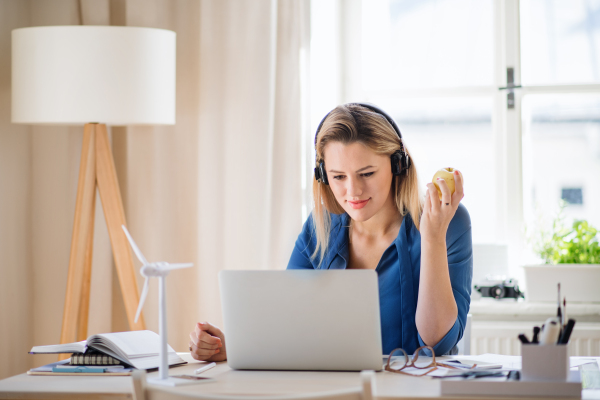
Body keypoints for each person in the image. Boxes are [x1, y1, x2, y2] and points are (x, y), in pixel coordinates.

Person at [189, 103, 472, 361]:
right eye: (338, 177)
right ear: (324, 176)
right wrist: (235, 347)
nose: (353, 191)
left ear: (398, 165)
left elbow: (437, 344)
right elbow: (289, 327)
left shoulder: (447, 221)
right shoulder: (320, 226)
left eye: (367, 173)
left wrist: (432, 238)